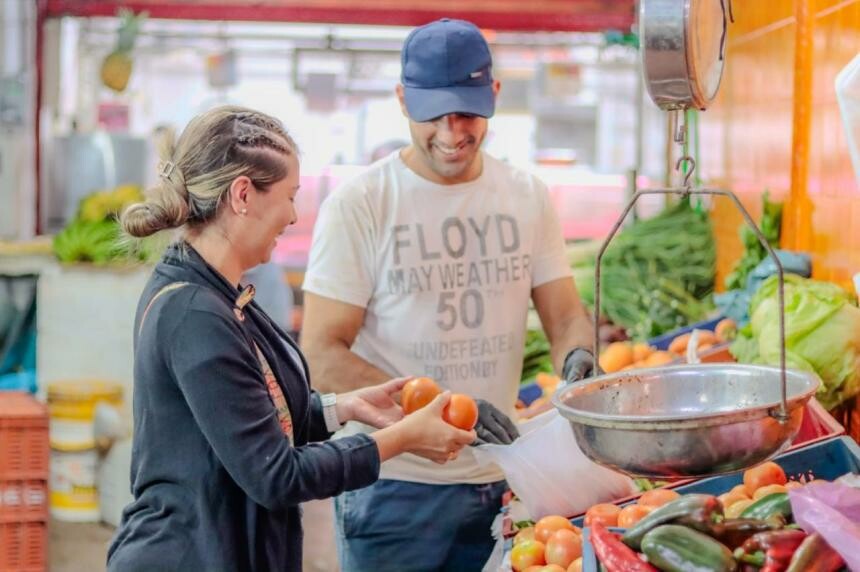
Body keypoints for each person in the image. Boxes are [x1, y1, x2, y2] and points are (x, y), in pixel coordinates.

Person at [106, 105, 476, 572]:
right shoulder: (194, 314)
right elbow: (276, 475)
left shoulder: (222, 294)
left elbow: (249, 424)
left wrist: (343, 408)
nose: (294, 215)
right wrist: (399, 439)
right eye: (288, 196)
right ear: (243, 194)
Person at [301, 18, 598, 572]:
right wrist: (440, 407)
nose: (452, 130)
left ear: (495, 97)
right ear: (401, 100)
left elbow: (566, 319)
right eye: (432, 112)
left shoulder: (526, 195)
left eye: (467, 111)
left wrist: (578, 357)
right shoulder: (362, 204)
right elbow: (321, 356)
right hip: (393, 489)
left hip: (505, 478)